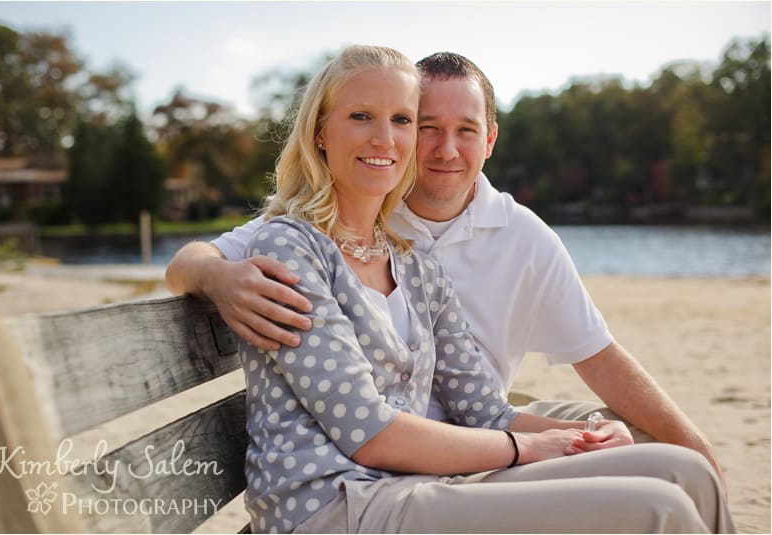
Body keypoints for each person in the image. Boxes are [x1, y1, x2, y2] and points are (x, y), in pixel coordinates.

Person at [185, 44, 733, 534]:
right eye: (362, 117)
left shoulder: (414, 262)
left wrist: (584, 434)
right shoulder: (290, 247)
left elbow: (487, 410)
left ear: (487, 139)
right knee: (662, 513)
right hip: (338, 502)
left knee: (685, 471)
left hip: (421, 480)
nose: (386, 138)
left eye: (401, 119)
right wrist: (530, 447)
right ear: (320, 132)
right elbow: (369, 432)